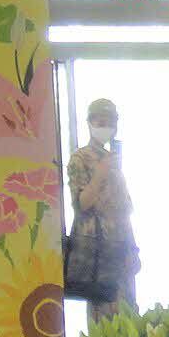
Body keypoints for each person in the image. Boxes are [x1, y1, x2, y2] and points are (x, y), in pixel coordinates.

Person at [65, 97, 140, 318]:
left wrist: (133, 249)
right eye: (100, 121)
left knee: (128, 316)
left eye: (110, 121)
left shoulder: (112, 159)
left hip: (121, 247)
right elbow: (82, 204)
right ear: (90, 122)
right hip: (98, 252)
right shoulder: (80, 158)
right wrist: (100, 173)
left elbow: (123, 210)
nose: (105, 126)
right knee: (103, 317)